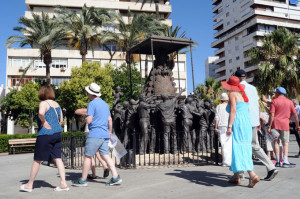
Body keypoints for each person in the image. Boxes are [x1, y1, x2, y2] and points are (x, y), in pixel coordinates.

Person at [72, 83, 122, 186]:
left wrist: (85, 119)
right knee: (106, 156)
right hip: (104, 134)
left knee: (87, 157)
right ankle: (115, 176)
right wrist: (109, 132)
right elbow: (110, 120)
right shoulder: (105, 104)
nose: (87, 94)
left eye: (87, 92)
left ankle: (83, 180)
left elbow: (89, 120)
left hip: (95, 134)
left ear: (90, 93)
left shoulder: (91, 104)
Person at [20, 86, 68, 192]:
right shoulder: (57, 105)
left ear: (42, 93)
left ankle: (29, 184)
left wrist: (44, 122)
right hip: (57, 134)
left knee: (37, 160)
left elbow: (41, 113)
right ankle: (63, 183)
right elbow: (61, 120)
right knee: (58, 158)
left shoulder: (43, 103)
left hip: (45, 134)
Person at [236, 69, 278, 181]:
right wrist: (258, 118)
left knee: (242, 146)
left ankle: (241, 174)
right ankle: (270, 167)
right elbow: (257, 104)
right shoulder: (253, 88)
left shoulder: (237, 88)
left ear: (237, 78)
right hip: (253, 120)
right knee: (254, 145)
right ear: (245, 77)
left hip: (243, 121)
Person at [221, 76, 260, 188]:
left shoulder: (232, 94)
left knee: (238, 147)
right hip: (246, 121)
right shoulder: (242, 95)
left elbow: (233, 110)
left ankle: (252, 175)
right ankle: (236, 176)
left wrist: (229, 126)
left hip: (238, 121)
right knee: (244, 146)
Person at [267, 87, 300, 168]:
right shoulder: (290, 102)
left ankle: (278, 161)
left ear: (277, 93)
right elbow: (295, 115)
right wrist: (297, 125)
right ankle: (285, 161)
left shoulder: (274, 101)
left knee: (276, 142)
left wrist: (269, 126)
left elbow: (272, 115)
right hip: (285, 124)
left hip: (275, 124)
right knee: (285, 143)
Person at [74, 110, 110, 179]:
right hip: (98, 132)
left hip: (90, 132)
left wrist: (87, 110)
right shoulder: (101, 112)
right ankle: (104, 166)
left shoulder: (90, 110)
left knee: (89, 155)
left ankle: (93, 173)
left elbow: (77, 111)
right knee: (96, 152)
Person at [214, 93, 231, 167]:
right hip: (229, 125)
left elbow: (216, 118)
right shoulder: (229, 106)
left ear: (221, 99)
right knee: (229, 143)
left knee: (223, 143)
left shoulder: (218, 107)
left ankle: (224, 161)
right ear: (227, 99)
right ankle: (229, 160)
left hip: (221, 126)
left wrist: (215, 127)